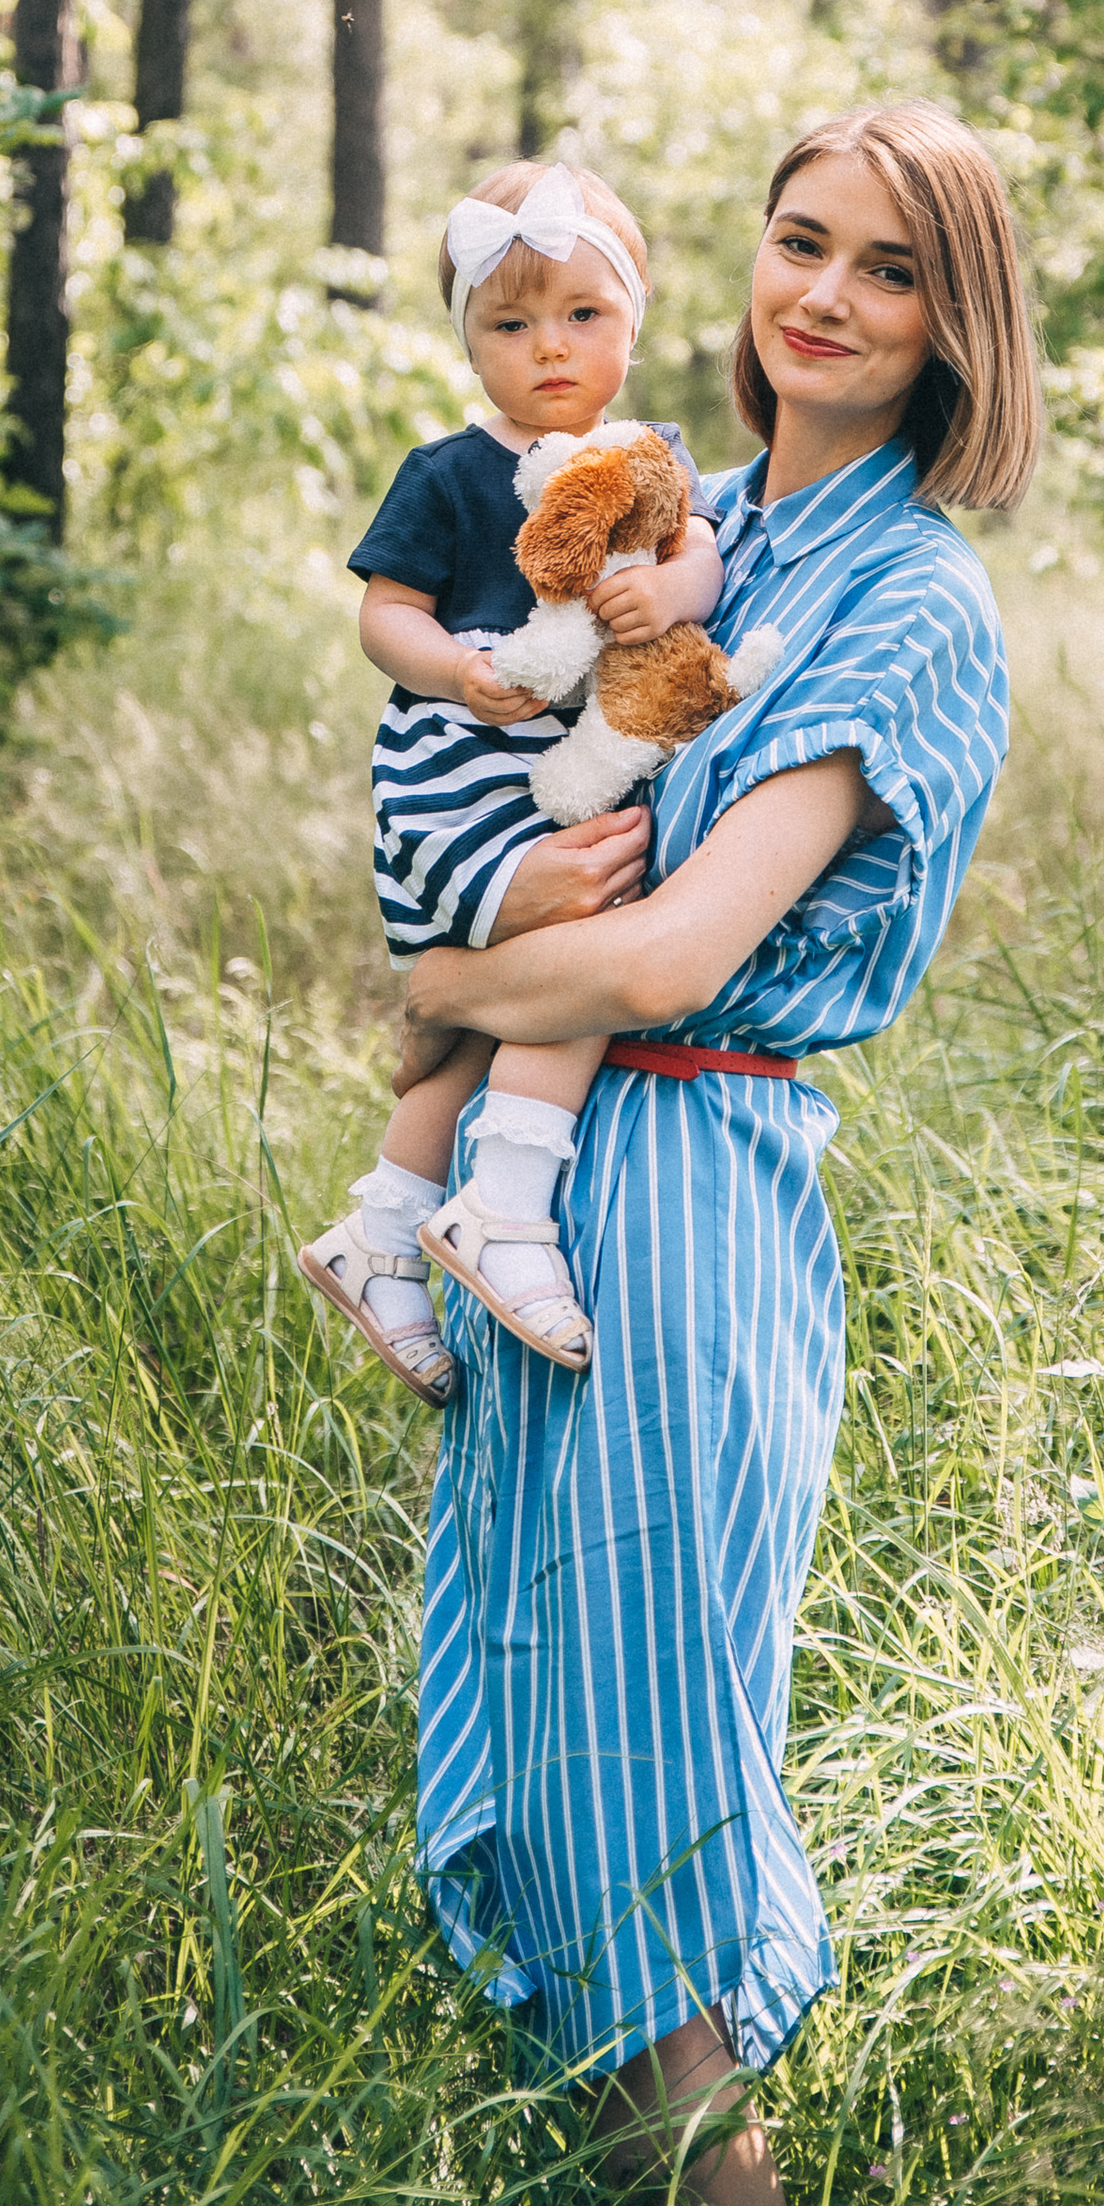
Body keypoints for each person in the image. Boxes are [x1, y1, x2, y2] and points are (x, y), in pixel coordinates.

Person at [397, 103, 1042, 2206]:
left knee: (653, 1862)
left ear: (947, 322)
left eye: (886, 269)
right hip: (563, 1192)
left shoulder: (905, 604)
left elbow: (663, 961)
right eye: (796, 243)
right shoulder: (704, 526)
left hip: (683, 1203)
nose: (823, 296)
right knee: (573, 1825)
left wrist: (436, 986)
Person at [298, 159, 727, 1404]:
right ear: (468, 340)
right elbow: (385, 614)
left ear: (632, 326)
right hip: (460, 762)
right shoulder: (446, 471)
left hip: (566, 758)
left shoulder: (649, 455)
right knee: (590, 935)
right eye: (510, 322)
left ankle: (383, 1232)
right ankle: (509, 1202)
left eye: (582, 316)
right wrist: (451, 669)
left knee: (491, 1017)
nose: (549, 348)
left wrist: (675, 590)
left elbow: (694, 545)